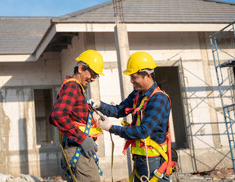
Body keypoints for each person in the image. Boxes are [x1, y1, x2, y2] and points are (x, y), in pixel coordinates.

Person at [91, 51, 171, 182]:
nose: (131, 81)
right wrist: (100, 105)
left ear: (147, 75)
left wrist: (111, 128)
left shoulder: (159, 99)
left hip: (153, 161)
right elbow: (119, 110)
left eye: (134, 77)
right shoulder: (138, 94)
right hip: (141, 158)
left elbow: (143, 131)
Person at [49, 49, 105, 182]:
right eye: (92, 74)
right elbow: (57, 115)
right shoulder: (73, 87)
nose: (92, 79)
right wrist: (82, 139)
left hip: (78, 149)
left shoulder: (76, 88)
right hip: (77, 149)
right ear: (81, 68)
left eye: (95, 76)